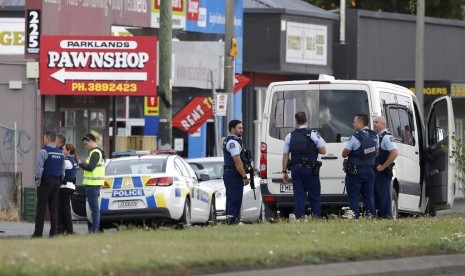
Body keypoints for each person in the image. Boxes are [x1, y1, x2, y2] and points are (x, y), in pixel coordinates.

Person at [282, 111, 326, 219]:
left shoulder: (289, 136)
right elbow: (323, 150)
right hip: (310, 169)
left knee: (299, 195)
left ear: (296, 121)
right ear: (306, 120)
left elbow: (285, 156)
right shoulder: (313, 133)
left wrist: (284, 172)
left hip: (296, 169)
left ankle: (299, 218)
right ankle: (316, 217)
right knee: (314, 195)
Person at [342, 113, 378, 219]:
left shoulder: (355, 137)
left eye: (355, 122)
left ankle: (355, 217)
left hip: (356, 172)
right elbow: (376, 152)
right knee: (369, 195)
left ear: (361, 124)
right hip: (370, 171)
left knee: (353, 196)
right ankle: (371, 216)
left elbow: (344, 154)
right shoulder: (374, 135)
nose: (353, 124)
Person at [32, 131, 65, 238]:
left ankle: (38, 234)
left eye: (44, 138)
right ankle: (53, 233)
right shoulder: (60, 153)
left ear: (47, 138)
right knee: (54, 208)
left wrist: (38, 182)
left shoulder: (43, 151)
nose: (43, 140)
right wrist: (59, 181)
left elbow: (39, 169)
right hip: (56, 183)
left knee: (41, 208)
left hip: (45, 182)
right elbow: (63, 170)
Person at [222, 120, 250, 225]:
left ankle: (231, 220)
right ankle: (232, 221)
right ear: (232, 129)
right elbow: (237, 162)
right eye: (239, 128)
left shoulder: (233, 141)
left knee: (232, 199)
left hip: (231, 174)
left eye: (242, 128)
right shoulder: (233, 142)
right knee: (235, 199)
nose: (241, 130)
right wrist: (244, 177)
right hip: (233, 174)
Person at [79, 133, 105, 233]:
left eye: (86, 144)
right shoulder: (97, 152)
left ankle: (94, 230)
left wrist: (81, 163)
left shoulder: (95, 153)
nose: (85, 146)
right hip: (94, 185)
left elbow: (90, 167)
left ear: (90, 141)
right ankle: (95, 229)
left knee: (94, 209)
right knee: (94, 208)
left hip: (93, 185)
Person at [373, 116, 398, 219]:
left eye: (377, 122)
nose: (374, 124)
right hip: (376, 172)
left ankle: (386, 217)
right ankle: (379, 217)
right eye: (374, 122)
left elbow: (394, 153)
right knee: (377, 195)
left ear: (383, 124)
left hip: (383, 173)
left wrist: (383, 166)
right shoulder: (378, 137)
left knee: (384, 196)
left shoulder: (387, 137)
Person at [58, 143, 79, 234]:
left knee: (64, 209)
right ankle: (66, 229)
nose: (63, 151)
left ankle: (69, 230)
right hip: (69, 186)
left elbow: (59, 167)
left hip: (65, 187)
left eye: (64, 149)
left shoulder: (67, 161)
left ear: (68, 151)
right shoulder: (73, 160)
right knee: (64, 209)